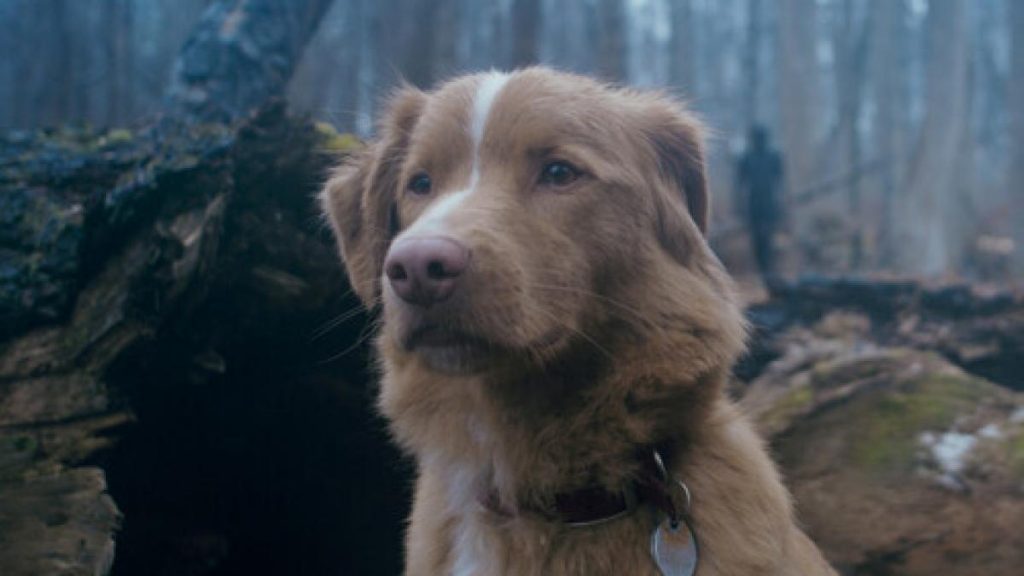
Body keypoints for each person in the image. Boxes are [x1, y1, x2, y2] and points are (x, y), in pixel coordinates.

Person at [736, 125, 785, 285]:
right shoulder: (747, 158)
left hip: (769, 204)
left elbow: (780, 182)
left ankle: (769, 274)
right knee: (757, 242)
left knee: (768, 241)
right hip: (755, 204)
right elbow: (739, 185)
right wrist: (739, 207)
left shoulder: (774, 157)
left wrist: (781, 205)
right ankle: (765, 273)